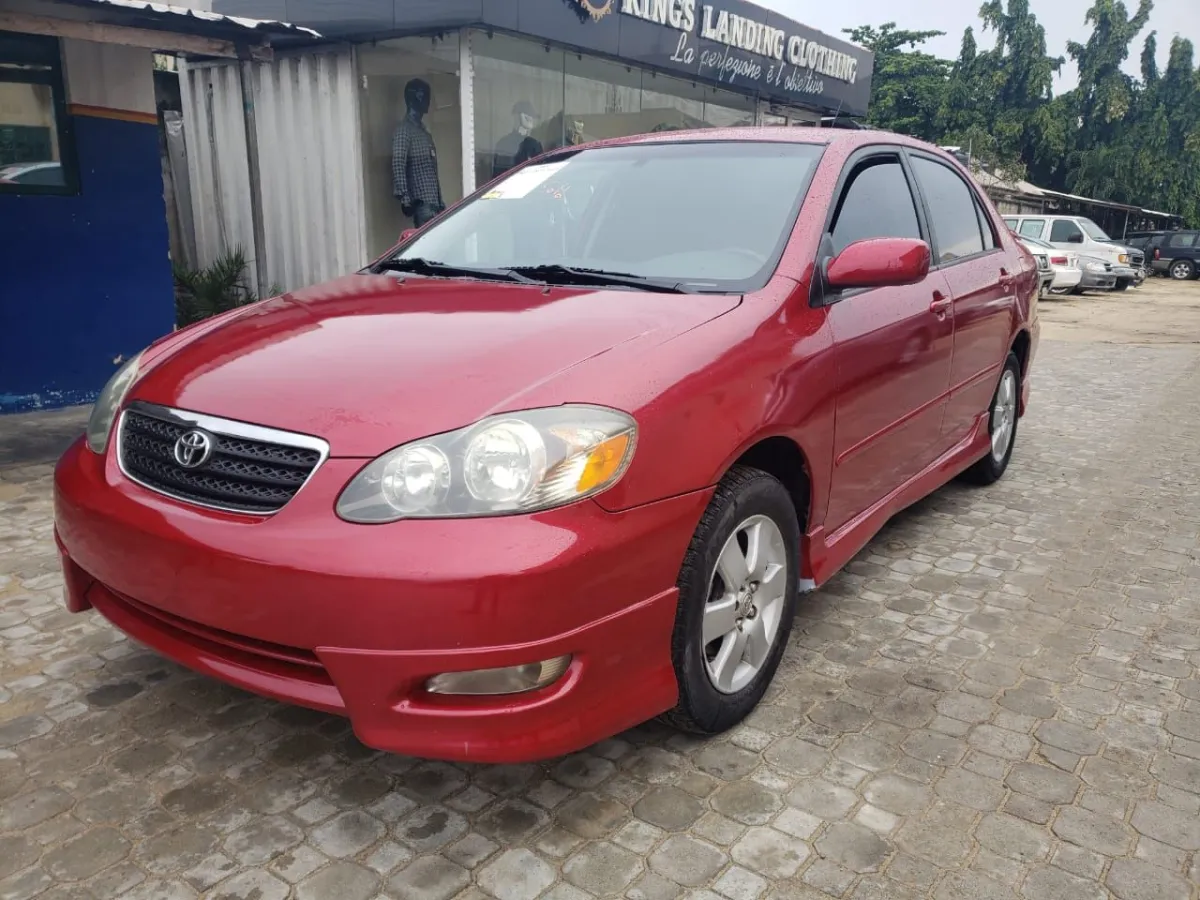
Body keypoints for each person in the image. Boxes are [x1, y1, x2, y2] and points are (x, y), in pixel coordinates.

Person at [391, 78, 444, 227]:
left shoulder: (424, 132)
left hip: (434, 205)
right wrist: (405, 198)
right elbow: (398, 164)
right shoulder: (404, 130)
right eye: (425, 95)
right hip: (421, 205)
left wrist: (440, 201)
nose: (429, 100)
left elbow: (432, 172)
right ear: (416, 97)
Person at [492, 101, 544, 178]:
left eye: (532, 116)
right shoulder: (504, 143)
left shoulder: (535, 144)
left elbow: (541, 173)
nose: (531, 119)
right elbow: (500, 175)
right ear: (518, 116)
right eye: (528, 115)